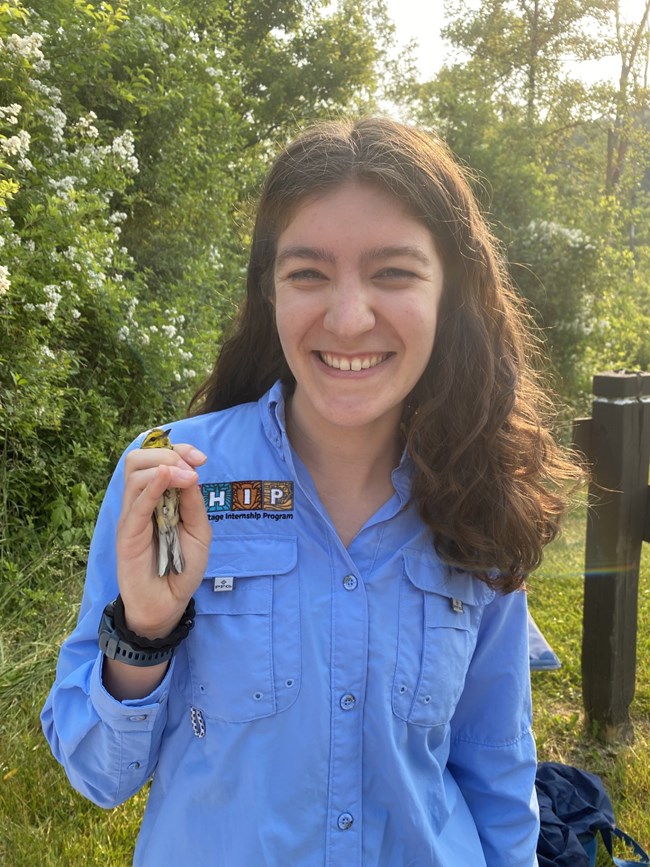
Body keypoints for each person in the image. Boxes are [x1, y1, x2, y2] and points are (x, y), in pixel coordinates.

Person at [42, 117, 579, 866]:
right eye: (309, 273)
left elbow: (496, 768)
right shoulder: (173, 480)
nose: (349, 316)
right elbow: (98, 772)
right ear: (270, 291)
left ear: (450, 291)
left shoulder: (479, 494)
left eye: (393, 272)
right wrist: (144, 632)